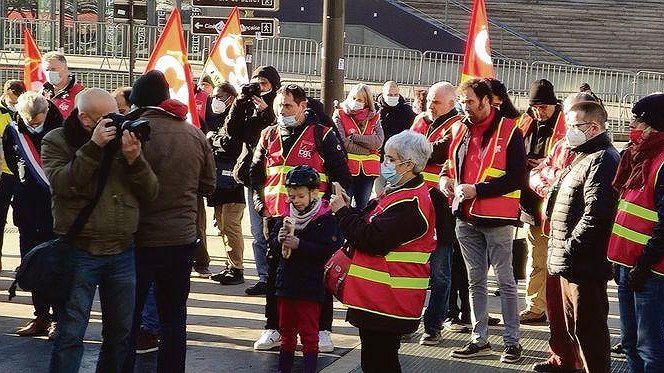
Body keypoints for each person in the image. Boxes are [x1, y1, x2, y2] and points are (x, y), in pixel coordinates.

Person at [44, 88, 158, 372]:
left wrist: (135, 160)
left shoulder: (124, 141)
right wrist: (93, 148)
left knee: (120, 334)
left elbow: (151, 192)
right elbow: (63, 184)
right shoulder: (56, 140)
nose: (116, 122)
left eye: (118, 115)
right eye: (107, 118)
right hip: (79, 250)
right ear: (85, 118)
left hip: (122, 250)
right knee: (71, 332)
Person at [121, 70, 216, 373]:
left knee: (129, 315)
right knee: (174, 316)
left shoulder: (131, 132)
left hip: (138, 238)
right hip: (180, 238)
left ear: (137, 102)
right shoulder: (193, 133)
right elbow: (208, 185)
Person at [249, 84, 350, 353]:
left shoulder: (323, 134)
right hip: (278, 217)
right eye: (279, 106)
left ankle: (323, 330)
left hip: (316, 218)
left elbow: (342, 174)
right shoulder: (268, 134)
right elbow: (255, 173)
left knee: (319, 272)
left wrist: (331, 209)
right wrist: (261, 205)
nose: (282, 111)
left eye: (288, 106)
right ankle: (273, 328)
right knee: (275, 274)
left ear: (303, 106)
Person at [331, 130, 436, 373]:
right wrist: (349, 209)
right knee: (378, 360)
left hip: (388, 299)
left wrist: (342, 213)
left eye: (390, 158)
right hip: (379, 297)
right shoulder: (399, 192)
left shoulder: (410, 203)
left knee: (379, 362)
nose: (384, 163)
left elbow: (371, 239)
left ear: (409, 164)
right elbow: (371, 223)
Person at [440, 78, 526, 363]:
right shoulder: (459, 127)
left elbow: (516, 177)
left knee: (505, 280)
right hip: (465, 216)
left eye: (471, 103)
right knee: (474, 279)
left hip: (498, 217)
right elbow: (448, 163)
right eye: (463, 103)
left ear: (488, 101)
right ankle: (480, 339)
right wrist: (444, 180)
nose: (466, 109)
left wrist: (479, 190)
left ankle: (512, 342)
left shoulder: (510, 130)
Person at [546, 101, 619, 373]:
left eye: (574, 126)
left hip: (583, 266)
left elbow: (596, 215)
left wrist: (568, 247)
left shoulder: (603, 159)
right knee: (578, 332)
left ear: (594, 127)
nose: (568, 132)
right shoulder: (585, 156)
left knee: (590, 337)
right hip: (571, 263)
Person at [531, 91, 599, 373]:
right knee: (557, 307)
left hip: (574, 241)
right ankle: (560, 358)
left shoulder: (597, 154)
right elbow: (539, 173)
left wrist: (554, 184)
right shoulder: (561, 146)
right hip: (553, 232)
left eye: (574, 121)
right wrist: (551, 187)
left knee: (581, 314)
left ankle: (581, 363)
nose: (568, 127)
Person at [607, 93, 664, 373]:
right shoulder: (637, 157)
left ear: (655, 126)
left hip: (650, 271)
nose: (634, 127)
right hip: (627, 264)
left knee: (651, 348)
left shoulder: (661, 163)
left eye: (639, 121)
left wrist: (643, 265)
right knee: (630, 342)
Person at [270, 166, 341, 373]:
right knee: (286, 334)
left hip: (310, 287)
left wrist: (299, 245)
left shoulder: (326, 219)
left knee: (310, 335)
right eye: (292, 196)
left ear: (314, 193)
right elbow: (272, 244)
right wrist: (279, 240)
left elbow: (329, 250)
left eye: (301, 196)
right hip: (286, 285)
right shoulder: (285, 216)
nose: (296, 201)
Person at [5, 91, 63, 337]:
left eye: (38, 121)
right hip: (27, 209)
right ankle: (41, 316)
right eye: (30, 122)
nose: (34, 126)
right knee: (33, 265)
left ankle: (59, 319)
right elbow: (11, 160)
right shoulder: (13, 130)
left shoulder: (61, 130)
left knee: (58, 269)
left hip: (55, 211)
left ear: (47, 112)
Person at [409, 81, 461, 345]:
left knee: (440, 271)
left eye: (436, 101)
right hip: (413, 205)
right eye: (429, 99)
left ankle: (433, 326)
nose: (430, 105)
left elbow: (440, 151)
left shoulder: (458, 125)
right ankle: (407, 320)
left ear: (451, 104)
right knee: (409, 267)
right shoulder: (419, 120)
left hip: (440, 207)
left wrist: (414, 151)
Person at [224, 65, 280, 296]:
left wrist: (267, 110)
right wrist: (239, 102)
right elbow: (231, 134)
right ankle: (264, 277)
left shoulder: (280, 103)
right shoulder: (246, 103)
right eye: (256, 83)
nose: (259, 88)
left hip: (276, 176)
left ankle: (277, 276)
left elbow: (281, 131)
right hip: (252, 175)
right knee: (257, 231)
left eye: (264, 84)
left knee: (273, 231)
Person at [518, 79, 567, 324]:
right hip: (532, 202)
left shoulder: (566, 124)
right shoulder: (526, 121)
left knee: (549, 259)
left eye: (543, 107)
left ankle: (544, 306)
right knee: (536, 257)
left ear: (554, 104)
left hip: (556, 204)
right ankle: (536, 306)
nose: (539, 111)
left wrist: (544, 166)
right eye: (535, 107)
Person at [205, 83, 248, 285]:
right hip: (219, 183)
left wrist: (214, 139)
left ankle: (237, 269)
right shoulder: (218, 119)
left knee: (231, 226)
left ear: (231, 97)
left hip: (232, 182)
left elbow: (232, 144)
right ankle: (230, 265)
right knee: (222, 226)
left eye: (220, 96)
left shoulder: (237, 117)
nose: (216, 100)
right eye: (214, 96)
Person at [333, 83, 383, 210]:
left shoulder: (374, 117)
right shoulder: (339, 114)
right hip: (347, 170)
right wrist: (369, 150)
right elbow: (343, 143)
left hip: (368, 173)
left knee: (363, 208)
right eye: (354, 98)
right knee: (344, 207)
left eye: (360, 100)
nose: (356, 102)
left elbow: (378, 142)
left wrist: (354, 137)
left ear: (366, 102)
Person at [0, 80, 25, 271]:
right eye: (15, 94)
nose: (17, 98)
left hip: (23, 173)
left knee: (24, 218)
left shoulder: (25, 110)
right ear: (7, 93)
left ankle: (26, 261)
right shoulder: (1, 112)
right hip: (4, 174)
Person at [41, 51, 85, 119]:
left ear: (65, 68)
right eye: (47, 70)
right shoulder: (42, 92)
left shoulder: (80, 93)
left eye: (53, 69)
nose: (50, 73)